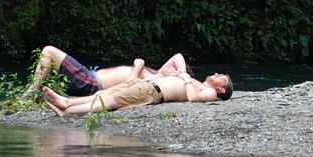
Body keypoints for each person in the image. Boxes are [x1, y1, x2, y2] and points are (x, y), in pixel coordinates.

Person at [19, 46, 190, 99]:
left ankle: (30, 93)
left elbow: (127, 87)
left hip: (90, 82)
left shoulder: (156, 81)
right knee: (48, 71)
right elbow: (178, 55)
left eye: (174, 69)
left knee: (48, 51)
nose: (172, 65)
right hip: (89, 77)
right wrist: (181, 71)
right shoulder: (157, 72)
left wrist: (137, 68)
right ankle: (33, 93)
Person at [42, 71, 233, 117]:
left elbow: (192, 98)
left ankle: (67, 108)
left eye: (221, 78)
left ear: (221, 90)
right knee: (104, 93)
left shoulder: (209, 92)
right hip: (146, 83)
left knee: (111, 100)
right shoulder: (199, 82)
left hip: (152, 92)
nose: (216, 74)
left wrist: (186, 78)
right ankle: (66, 102)